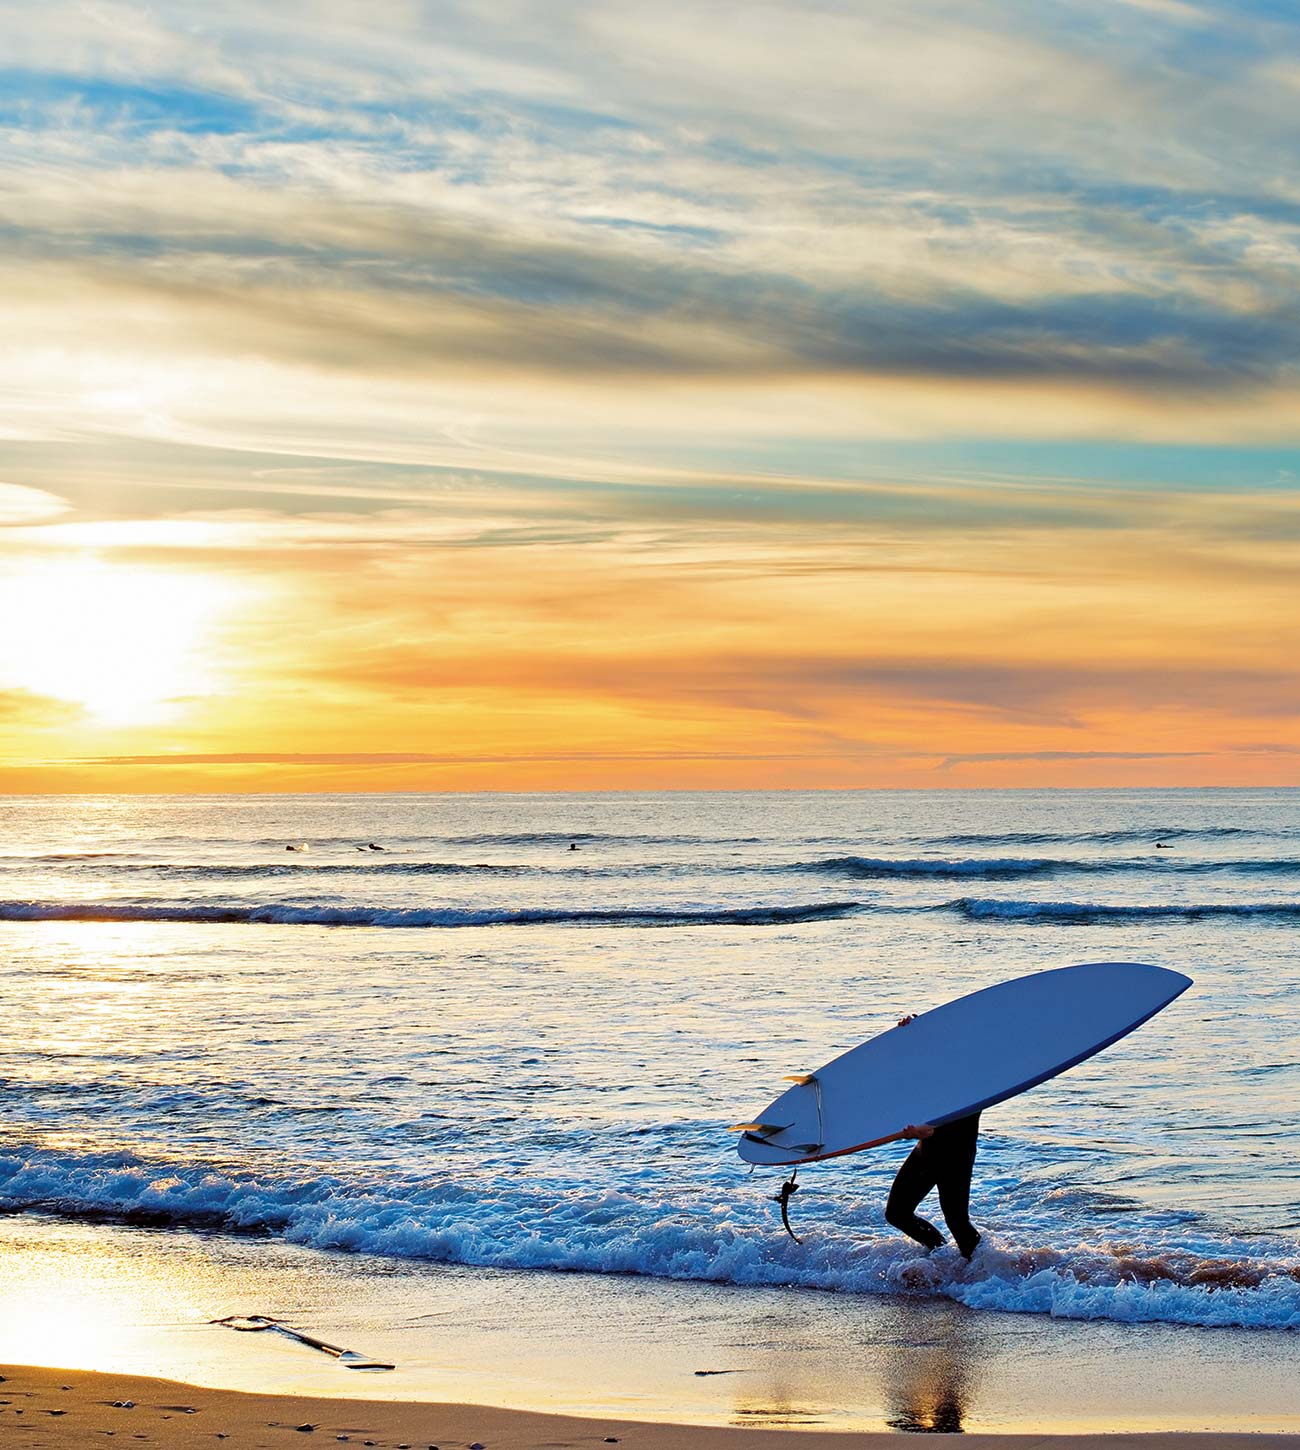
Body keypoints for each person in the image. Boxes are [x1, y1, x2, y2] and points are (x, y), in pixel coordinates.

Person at [883, 1014, 982, 1259]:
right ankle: (941, 1254)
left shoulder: (977, 1077)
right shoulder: (934, 1071)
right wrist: (911, 1031)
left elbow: (959, 1118)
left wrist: (927, 1130)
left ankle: (983, 1272)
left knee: (957, 1221)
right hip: (927, 1151)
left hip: (957, 1154)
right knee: (897, 1213)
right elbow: (897, 1074)